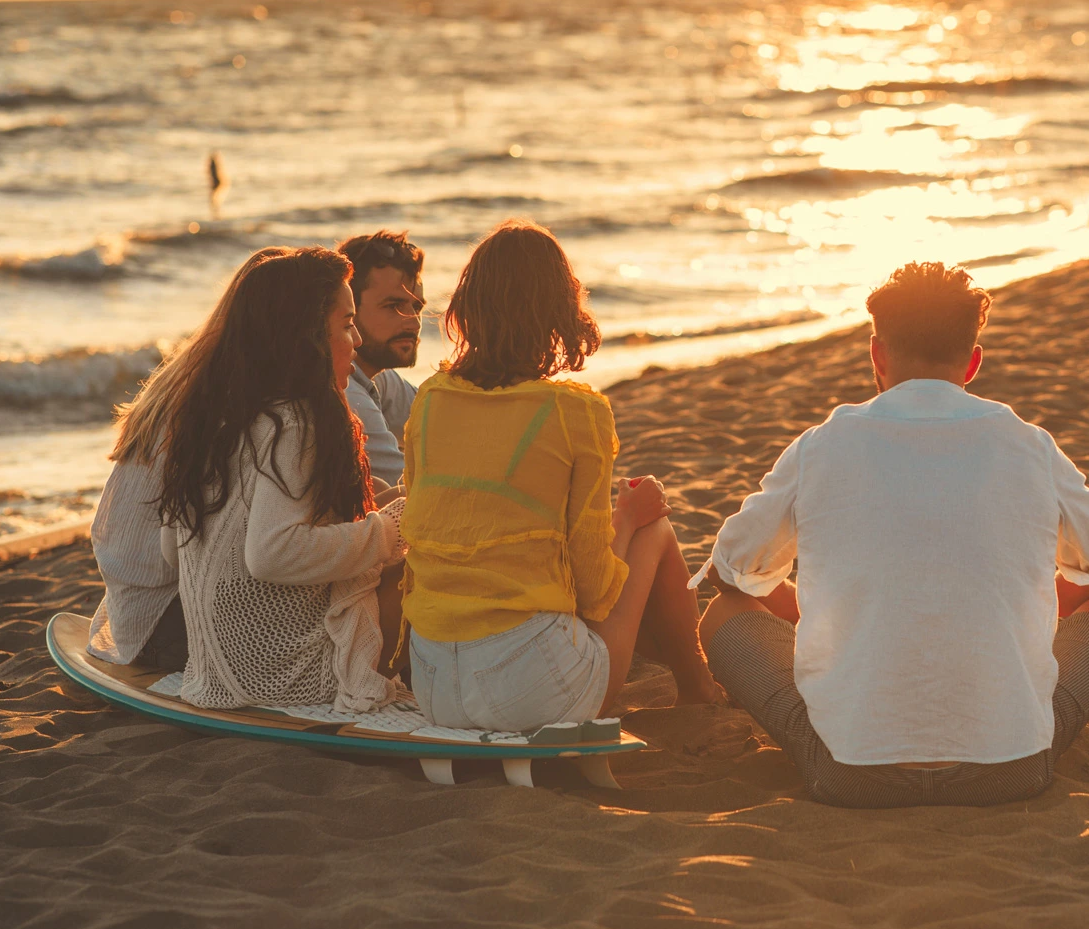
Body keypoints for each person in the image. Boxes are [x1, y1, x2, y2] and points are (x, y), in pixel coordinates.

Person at [694, 261, 1089, 809]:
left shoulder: (822, 445)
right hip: (1009, 772)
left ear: (876, 353)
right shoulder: (1027, 443)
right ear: (973, 363)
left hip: (852, 774)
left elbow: (727, 571)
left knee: (723, 614)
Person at [400, 220, 722, 734]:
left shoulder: (431, 400)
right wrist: (627, 517)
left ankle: (691, 679)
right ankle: (697, 685)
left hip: (434, 682)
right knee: (653, 531)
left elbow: (420, 533)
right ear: (558, 309)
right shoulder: (576, 413)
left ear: (470, 307)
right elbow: (594, 590)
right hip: (532, 686)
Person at [157, 247, 409, 710]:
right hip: (288, 678)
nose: (356, 338)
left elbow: (170, 549)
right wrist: (391, 529)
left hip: (213, 672)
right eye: (347, 323)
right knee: (421, 557)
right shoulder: (295, 420)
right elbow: (272, 553)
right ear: (307, 334)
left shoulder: (219, 415)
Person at [86, 247, 290, 670]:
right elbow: (194, 545)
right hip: (161, 617)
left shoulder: (192, 371)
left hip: (129, 602)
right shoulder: (224, 400)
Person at [337, 230, 424, 490]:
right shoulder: (346, 394)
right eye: (393, 305)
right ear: (348, 308)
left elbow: (448, 422)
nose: (413, 320)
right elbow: (409, 493)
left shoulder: (376, 376)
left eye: (417, 307)